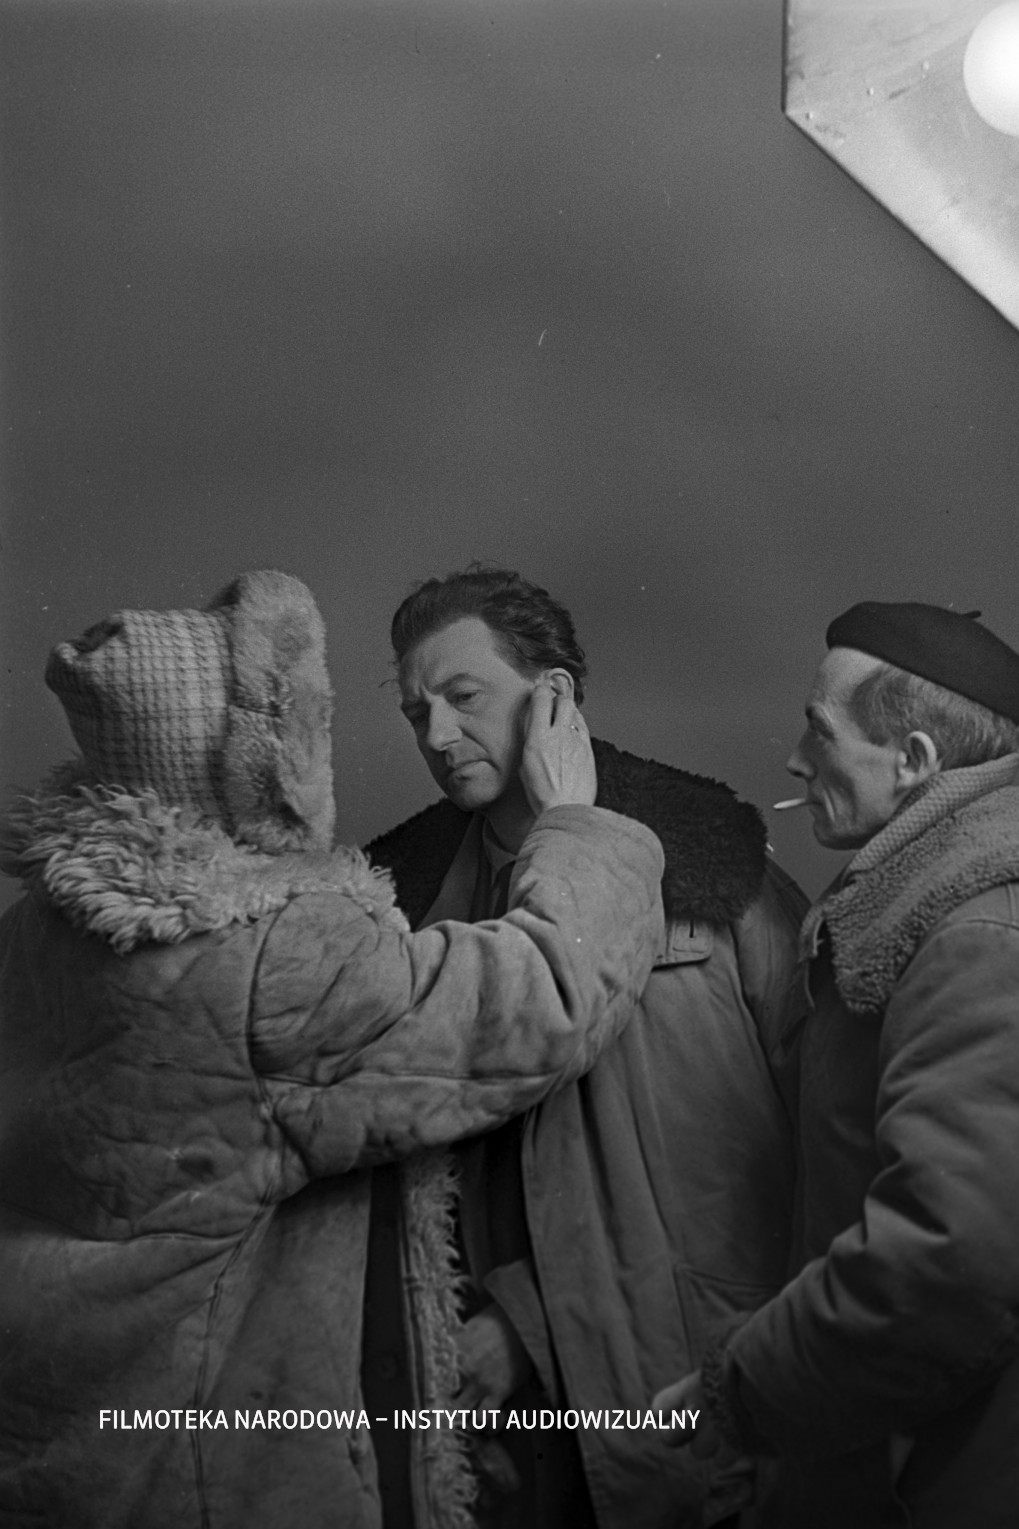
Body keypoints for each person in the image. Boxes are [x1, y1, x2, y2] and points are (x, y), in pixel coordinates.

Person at [0, 570, 665, 1529]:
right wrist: (574, 824)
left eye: (464, 696)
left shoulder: (38, 926)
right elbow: (543, 998)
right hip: (208, 1461)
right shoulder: (263, 956)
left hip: (70, 1427)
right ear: (251, 761)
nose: (434, 736)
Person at [654, 601, 1019, 1528]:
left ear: (916, 761)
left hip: (1016, 1475)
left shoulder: (982, 938)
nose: (795, 761)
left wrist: (747, 1387)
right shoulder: (972, 904)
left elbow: (957, 1260)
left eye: (820, 731)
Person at [364, 566, 807, 1529]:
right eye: (416, 712)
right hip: (502, 1433)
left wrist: (529, 1320)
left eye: (464, 695)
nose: (436, 735)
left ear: (554, 694)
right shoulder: (403, 911)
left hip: (692, 1394)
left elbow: (822, 1136)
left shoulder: (720, 881)